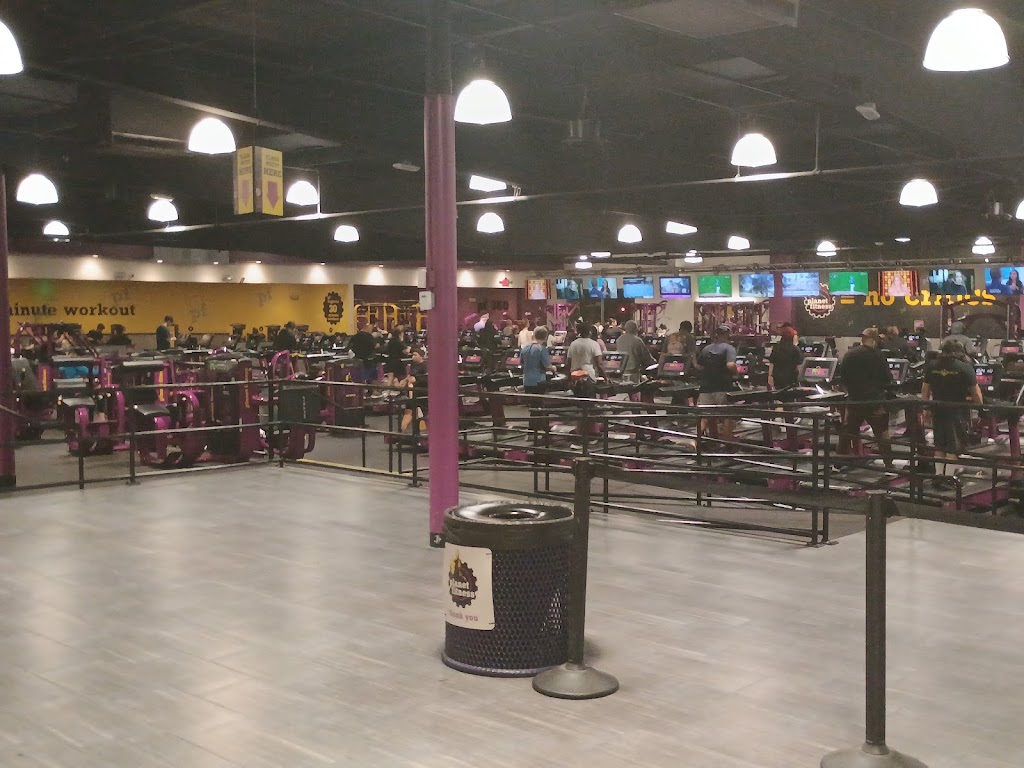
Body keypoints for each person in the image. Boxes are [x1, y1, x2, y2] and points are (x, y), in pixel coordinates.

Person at [922, 340, 983, 478]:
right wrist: (981, 408)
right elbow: (976, 393)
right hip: (956, 412)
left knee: (939, 445)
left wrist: (926, 408)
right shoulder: (965, 368)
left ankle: (938, 476)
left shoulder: (931, 366)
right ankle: (949, 478)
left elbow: (925, 390)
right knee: (953, 447)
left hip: (937, 409)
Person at [836, 328, 894, 467]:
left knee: (847, 432)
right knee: (882, 433)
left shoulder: (849, 354)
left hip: (855, 400)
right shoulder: (878, 355)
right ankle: (889, 464)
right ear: (874, 340)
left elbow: (842, 377)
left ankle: (837, 463)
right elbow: (888, 378)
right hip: (874, 401)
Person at [695, 325, 738, 444]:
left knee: (704, 416)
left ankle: (696, 441)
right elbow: (730, 365)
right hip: (722, 386)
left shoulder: (706, 348)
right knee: (726, 415)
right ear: (728, 335)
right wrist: (736, 373)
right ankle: (727, 442)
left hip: (706, 386)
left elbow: (699, 366)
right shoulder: (729, 348)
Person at [567, 324, 603, 396]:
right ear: (590, 332)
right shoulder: (594, 344)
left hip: (575, 376)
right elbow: (599, 364)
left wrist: (569, 378)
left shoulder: (573, 344)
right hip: (588, 377)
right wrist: (605, 377)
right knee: (589, 399)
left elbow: (568, 362)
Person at [400, 348, 428, 433]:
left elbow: (427, 378)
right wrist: (405, 380)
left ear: (421, 356)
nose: (413, 357)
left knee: (427, 414)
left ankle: (432, 433)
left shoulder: (425, 366)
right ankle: (402, 432)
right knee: (408, 412)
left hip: (422, 393)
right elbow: (410, 375)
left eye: (415, 355)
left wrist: (417, 380)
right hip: (413, 393)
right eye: (412, 355)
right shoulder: (413, 365)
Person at [521, 326, 554, 395]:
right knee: (538, 400)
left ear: (534, 335)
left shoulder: (524, 348)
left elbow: (522, 363)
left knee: (529, 400)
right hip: (539, 381)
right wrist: (554, 368)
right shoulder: (542, 349)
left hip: (526, 381)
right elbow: (548, 366)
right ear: (545, 337)